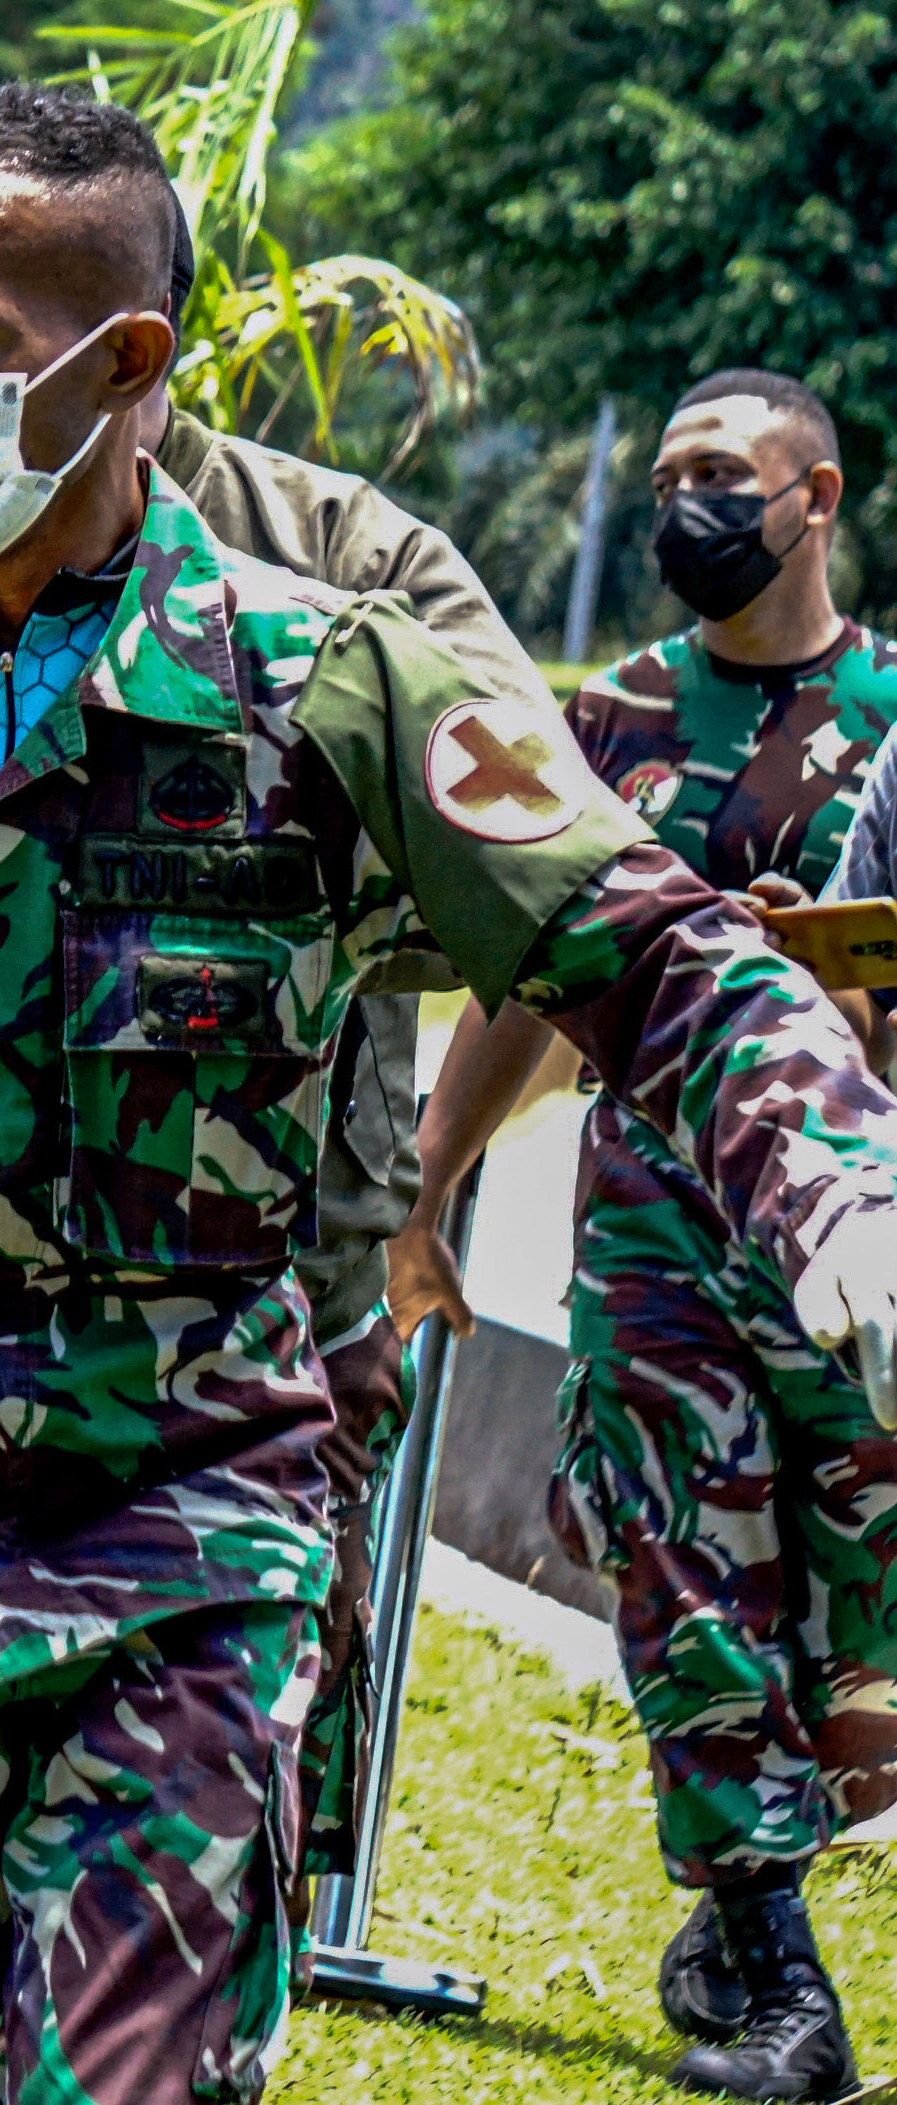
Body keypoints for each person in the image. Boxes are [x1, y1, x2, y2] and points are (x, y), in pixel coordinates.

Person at [0, 83, 897, 2105]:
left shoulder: (333, 686)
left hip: (177, 1553)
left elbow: (664, 950)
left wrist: (840, 1193)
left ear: (127, 365)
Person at [394, 370, 897, 2099]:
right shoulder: (603, 720)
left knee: (858, 1610)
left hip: (850, 1232)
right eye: (668, 467)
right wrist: (434, 1178)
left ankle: (760, 1887)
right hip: (654, 1237)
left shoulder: (890, 714)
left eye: (721, 473)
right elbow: (527, 973)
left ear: (812, 497)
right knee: (681, 1574)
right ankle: (776, 1977)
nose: (688, 501)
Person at [141, 223, 552, 1906]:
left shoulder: (333, 548)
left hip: (277, 1185)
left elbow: (526, 848)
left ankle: (272, 1914)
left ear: (130, 338)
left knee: (284, 1552)